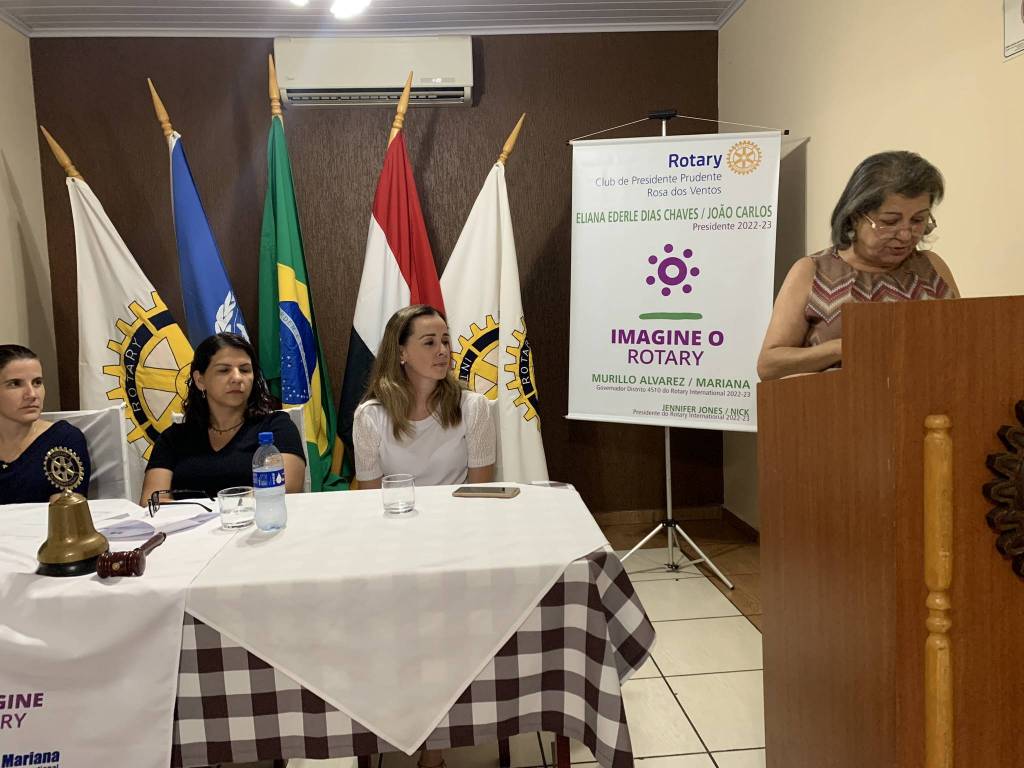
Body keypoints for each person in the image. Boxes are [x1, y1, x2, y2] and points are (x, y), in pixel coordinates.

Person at [757, 151, 960, 381]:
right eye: (890, 222)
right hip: (839, 401)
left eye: (918, 220)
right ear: (855, 216)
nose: (905, 235)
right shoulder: (812, 271)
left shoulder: (932, 269)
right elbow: (769, 366)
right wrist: (841, 348)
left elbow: (965, 343)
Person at [140, 333, 305, 503]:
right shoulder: (173, 438)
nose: (237, 378)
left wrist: (223, 509)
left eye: (245, 370)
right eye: (224, 370)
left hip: (258, 519)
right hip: (190, 522)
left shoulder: (276, 426)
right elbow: (150, 501)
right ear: (200, 380)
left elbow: (287, 489)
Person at [354, 304, 496, 491]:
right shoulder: (369, 416)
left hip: (458, 509)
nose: (443, 350)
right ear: (401, 352)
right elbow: (371, 498)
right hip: (399, 509)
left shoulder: (473, 407)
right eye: (430, 342)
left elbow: (480, 494)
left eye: (445, 341)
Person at [0, 344, 90, 503]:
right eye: (15, 384)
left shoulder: (64, 440)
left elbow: (67, 512)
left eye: (37, 382)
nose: (32, 394)